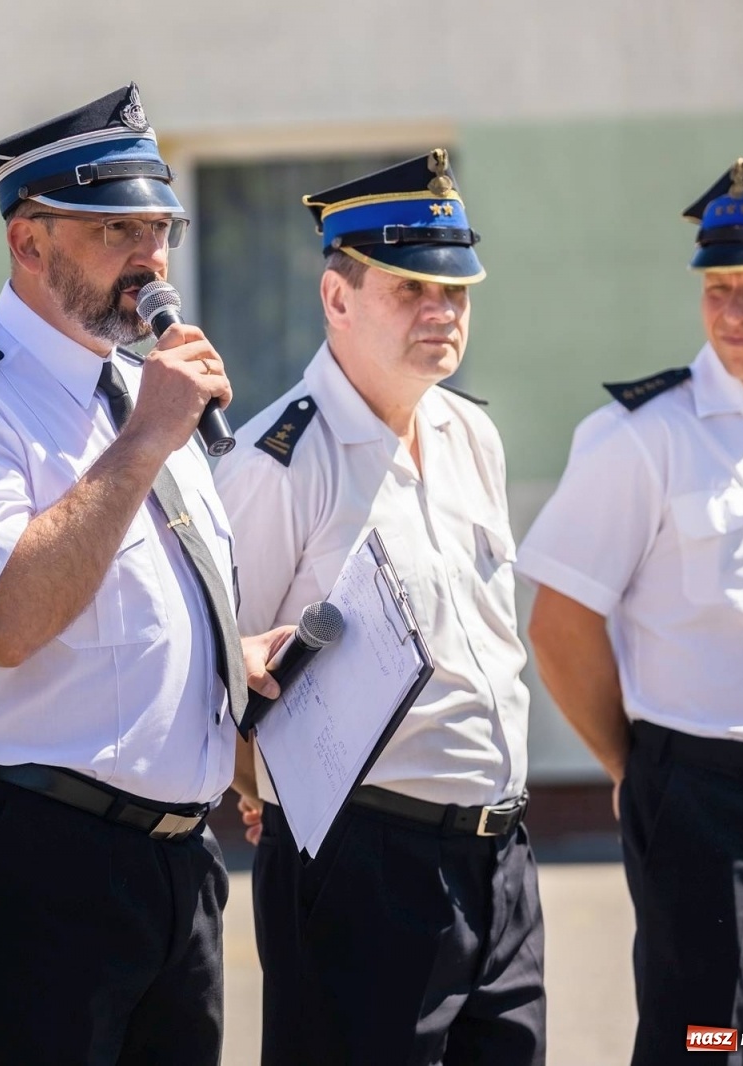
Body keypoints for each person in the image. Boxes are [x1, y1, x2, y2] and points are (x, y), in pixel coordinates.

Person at [0, 84, 289, 1066]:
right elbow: (6, 622)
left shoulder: (143, 393)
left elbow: (142, 609)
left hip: (175, 865)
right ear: (29, 243)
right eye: (114, 232)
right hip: (24, 854)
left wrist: (230, 666)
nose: (149, 260)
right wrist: (145, 437)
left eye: (159, 229)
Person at [215, 151, 544, 1066]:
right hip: (364, 866)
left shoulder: (469, 431)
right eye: (411, 289)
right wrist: (261, 784)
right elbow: (213, 669)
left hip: (500, 857)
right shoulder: (277, 463)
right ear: (337, 299)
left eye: (456, 293)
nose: (442, 312)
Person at [519, 160, 743, 1065]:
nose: (732, 311)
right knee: (706, 1042)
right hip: (708, 804)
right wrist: (632, 766)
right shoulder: (643, 437)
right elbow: (559, 623)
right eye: (718, 287)